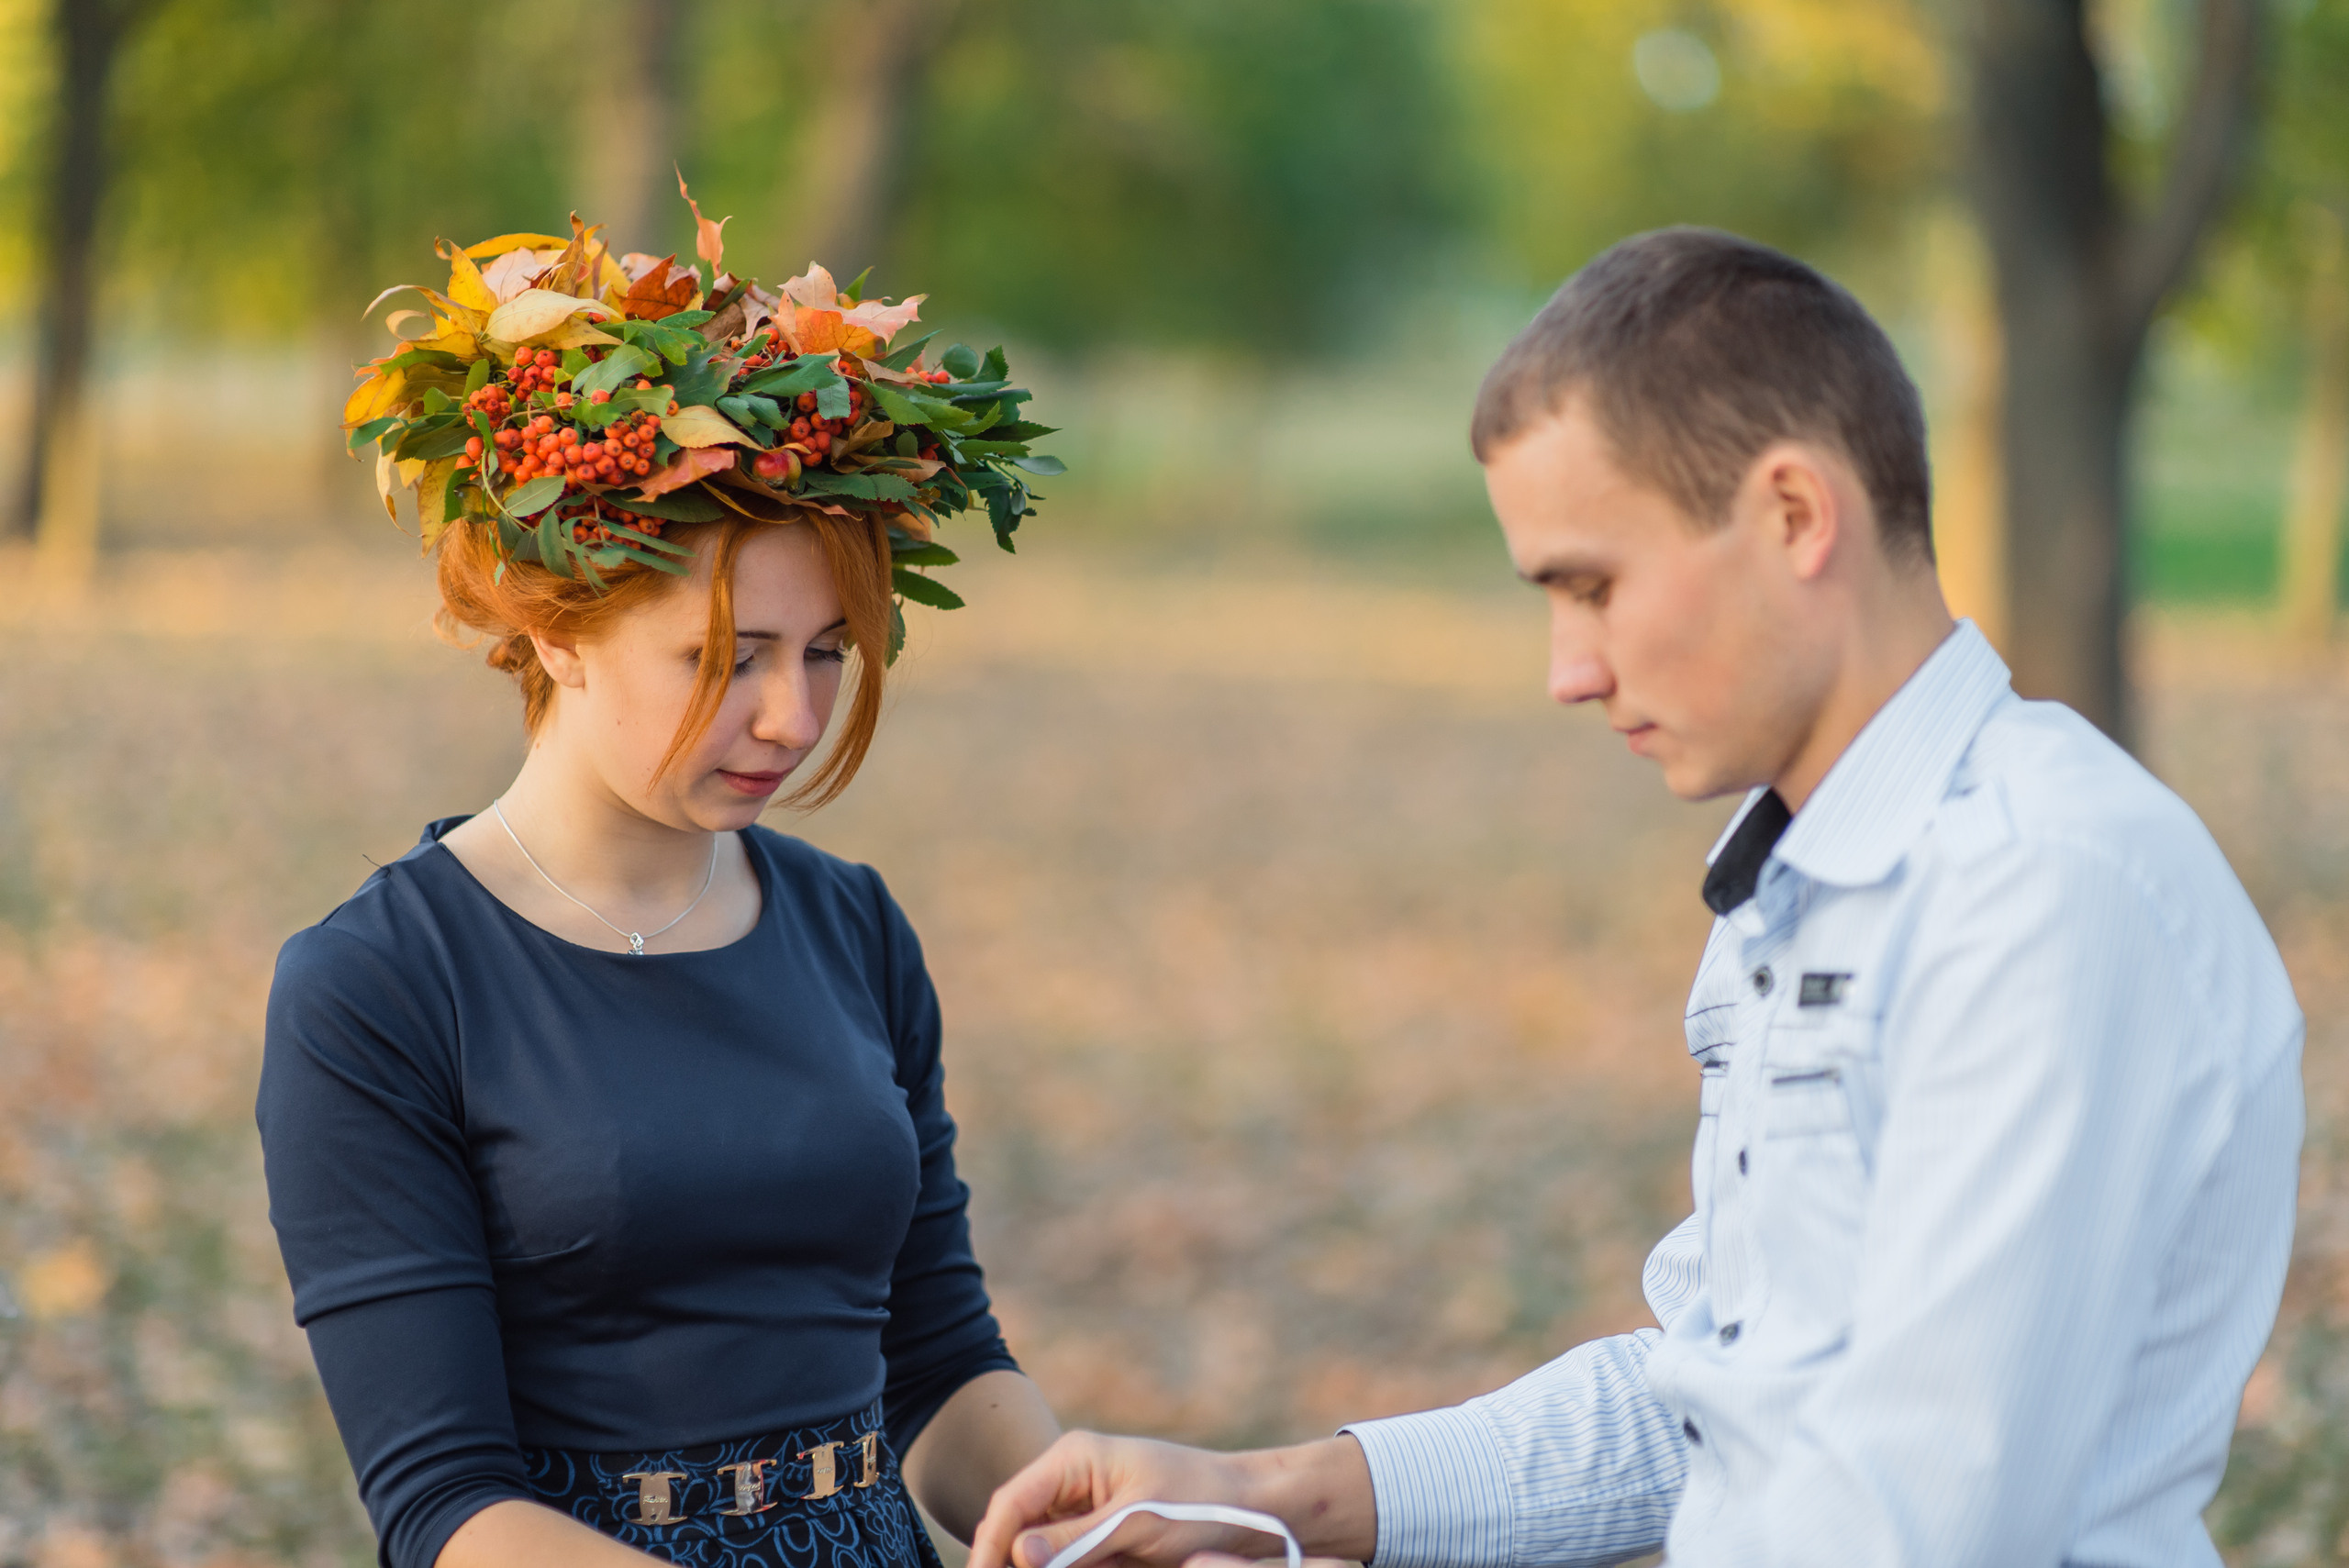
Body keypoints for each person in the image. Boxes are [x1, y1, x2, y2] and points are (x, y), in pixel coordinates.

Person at [966, 228, 2306, 1568]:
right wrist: (1261, 1497)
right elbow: (1720, 1408)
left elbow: (1906, 1522)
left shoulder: (2039, 891)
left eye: (1592, 587)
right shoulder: (1800, 877)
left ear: (1794, 513)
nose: (1569, 670)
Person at [261, 221, 1063, 1568]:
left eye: (823, 652)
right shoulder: (381, 984)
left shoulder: (850, 928)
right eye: (726, 656)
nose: (792, 714)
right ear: (556, 625)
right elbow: (447, 1503)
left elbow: (935, 1357)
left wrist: (1112, 1524)